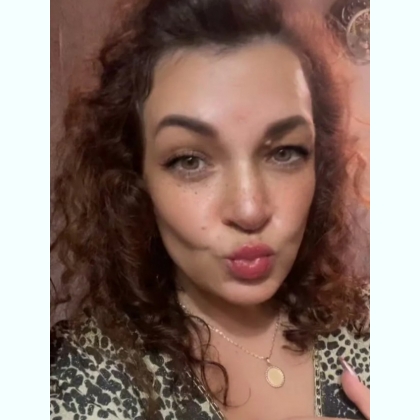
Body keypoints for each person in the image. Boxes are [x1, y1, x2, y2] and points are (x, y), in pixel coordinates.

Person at [50, 0, 370, 419]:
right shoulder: (90, 385)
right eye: (190, 161)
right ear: (136, 178)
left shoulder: (370, 321)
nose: (250, 209)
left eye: (285, 152)